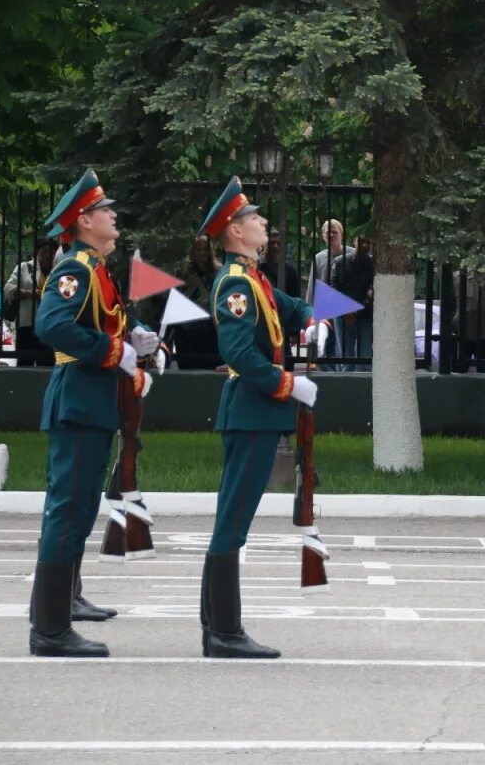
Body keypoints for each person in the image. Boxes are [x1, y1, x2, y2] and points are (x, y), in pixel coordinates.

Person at [29, 169, 160, 657]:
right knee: (68, 512)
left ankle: (62, 606)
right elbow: (53, 326)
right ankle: (49, 629)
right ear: (83, 220)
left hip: (94, 402)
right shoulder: (76, 269)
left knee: (78, 510)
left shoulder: (95, 268)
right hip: (80, 400)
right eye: (106, 210)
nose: (114, 216)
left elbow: (102, 324)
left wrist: (134, 341)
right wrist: (114, 351)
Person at [198, 176, 321, 659]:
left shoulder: (255, 279)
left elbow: (292, 310)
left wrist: (317, 319)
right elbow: (240, 354)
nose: (262, 221)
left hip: (259, 413)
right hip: (251, 411)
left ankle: (218, 626)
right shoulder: (234, 282)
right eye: (253, 217)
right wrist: (290, 384)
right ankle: (223, 632)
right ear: (233, 231)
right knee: (233, 521)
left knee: (236, 519)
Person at [305, 218, 354, 368]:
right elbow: (313, 285)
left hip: (346, 309)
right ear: (322, 235)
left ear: (342, 234)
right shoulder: (319, 258)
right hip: (324, 310)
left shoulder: (352, 254)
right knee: (324, 348)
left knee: (345, 349)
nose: (331, 235)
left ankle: (344, 375)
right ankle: (326, 374)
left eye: (335, 232)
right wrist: (309, 310)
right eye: (328, 232)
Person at [2, 237, 57, 366]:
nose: (47, 256)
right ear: (36, 253)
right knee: (25, 361)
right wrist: (28, 294)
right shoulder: (24, 267)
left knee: (47, 363)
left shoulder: (58, 271)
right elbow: (8, 289)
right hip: (26, 325)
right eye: (43, 252)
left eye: (51, 252)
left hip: (49, 325)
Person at [172, 236, 222, 369]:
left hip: (211, 328)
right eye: (198, 249)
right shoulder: (183, 272)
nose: (202, 253)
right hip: (188, 329)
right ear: (193, 251)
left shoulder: (218, 271)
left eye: (205, 249)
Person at [330, 234, 374, 371]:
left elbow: (374, 288)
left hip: (365, 315)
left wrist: (359, 308)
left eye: (368, 242)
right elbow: (333, 288)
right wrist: (347, 309)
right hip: (343, 315)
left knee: (365, 360)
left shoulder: (373, 264)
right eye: (362, 241)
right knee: (346, 359)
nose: (365, 245)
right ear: (355, 241)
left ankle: (364, 388)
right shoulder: (339, 262)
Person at [260, 228, 301, 300]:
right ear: (264, 245)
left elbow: (295, 297)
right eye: (272, 243)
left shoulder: (290, 271)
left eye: (278, 243)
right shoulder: (258, 268)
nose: (275, 246)